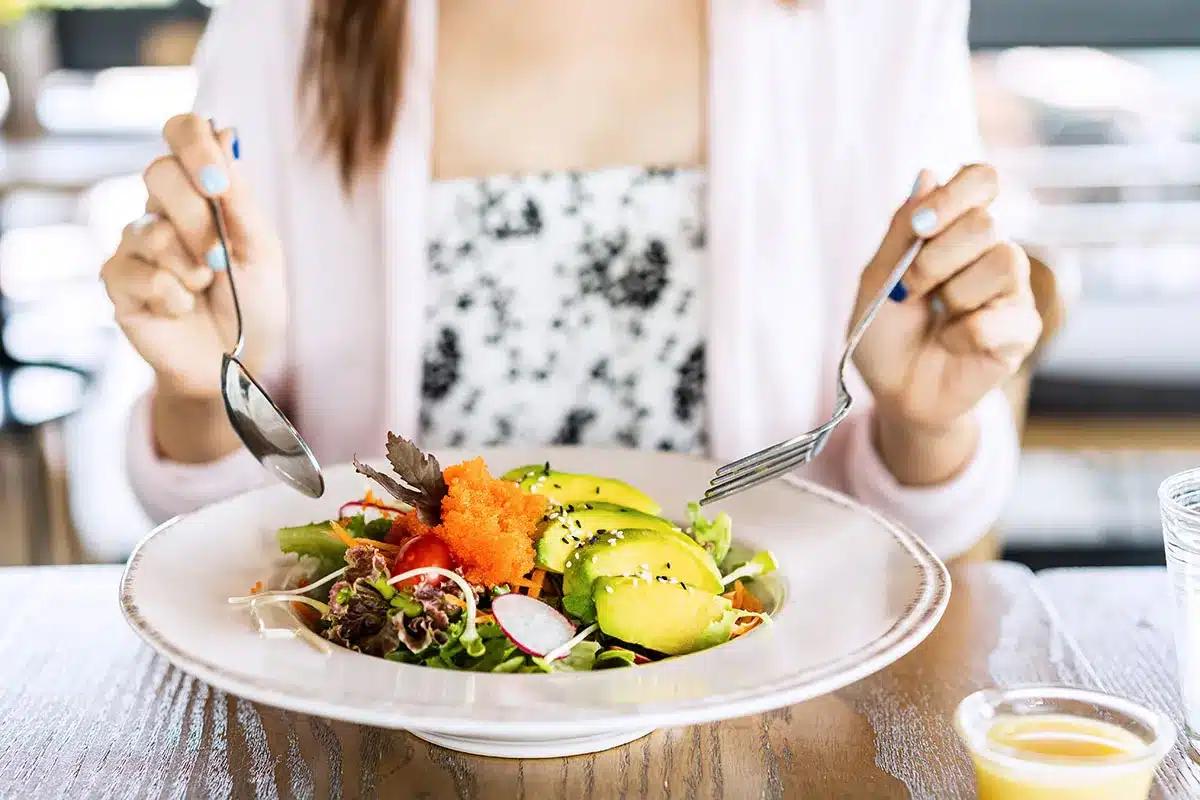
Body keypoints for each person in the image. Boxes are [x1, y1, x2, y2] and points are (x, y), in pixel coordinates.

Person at [101, 0, 1041, 560]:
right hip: (368, 733)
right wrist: (205, 392)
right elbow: (223, 530)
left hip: (772, 723)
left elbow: (915, 529)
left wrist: (927, 423)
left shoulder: (873, 20)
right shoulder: (289, 21)